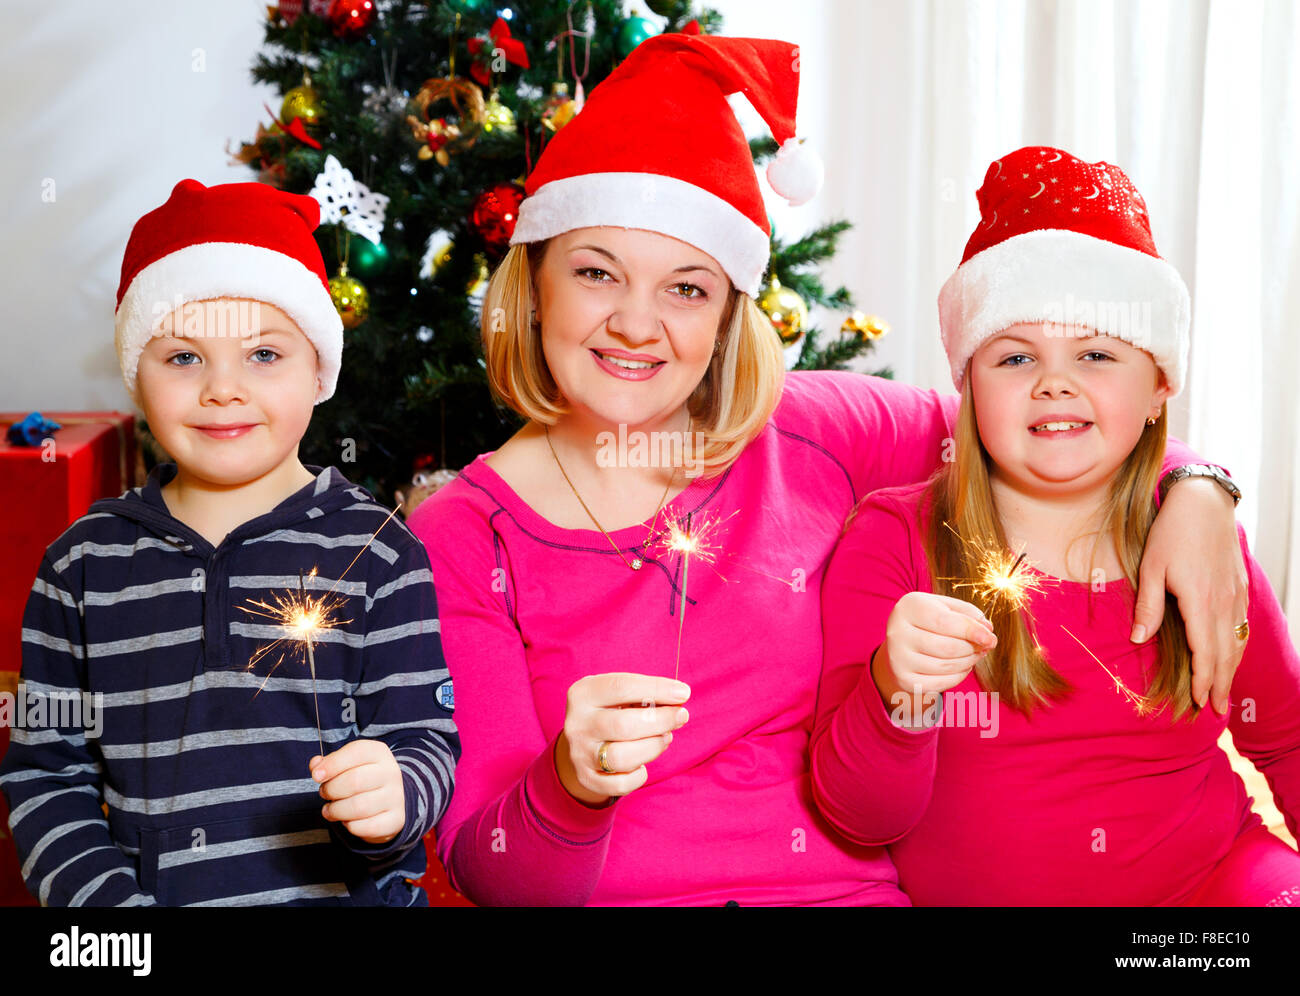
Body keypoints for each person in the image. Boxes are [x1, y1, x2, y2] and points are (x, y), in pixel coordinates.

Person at [408, 37, 1247, 906]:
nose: (634, 324)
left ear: (731, 311)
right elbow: (496, 873)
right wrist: (570, 786)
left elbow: (1046, 427)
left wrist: (1197, 486)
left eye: (686, 288)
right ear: (534, 283)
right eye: (595, 273)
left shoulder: (813, 431)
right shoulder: (465, 535)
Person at [811, 147, 1300, 906]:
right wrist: (896, 691)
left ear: (1160, 386)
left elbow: (1283, 738)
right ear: (969, 384)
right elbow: (859, 816)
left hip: (1213, 889)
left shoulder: (1199, 541)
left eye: (1097, 352)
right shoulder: (894, 539)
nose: (1054, 382)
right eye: (1013, 357)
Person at [0, 179, 458, 906]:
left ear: (319, 370)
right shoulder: (79, 566)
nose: (223, 390)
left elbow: (424, 742)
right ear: (135, 375)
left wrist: (395, 798)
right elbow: (46, 775)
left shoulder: (379, 549)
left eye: (264, 356)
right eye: (184, 358)